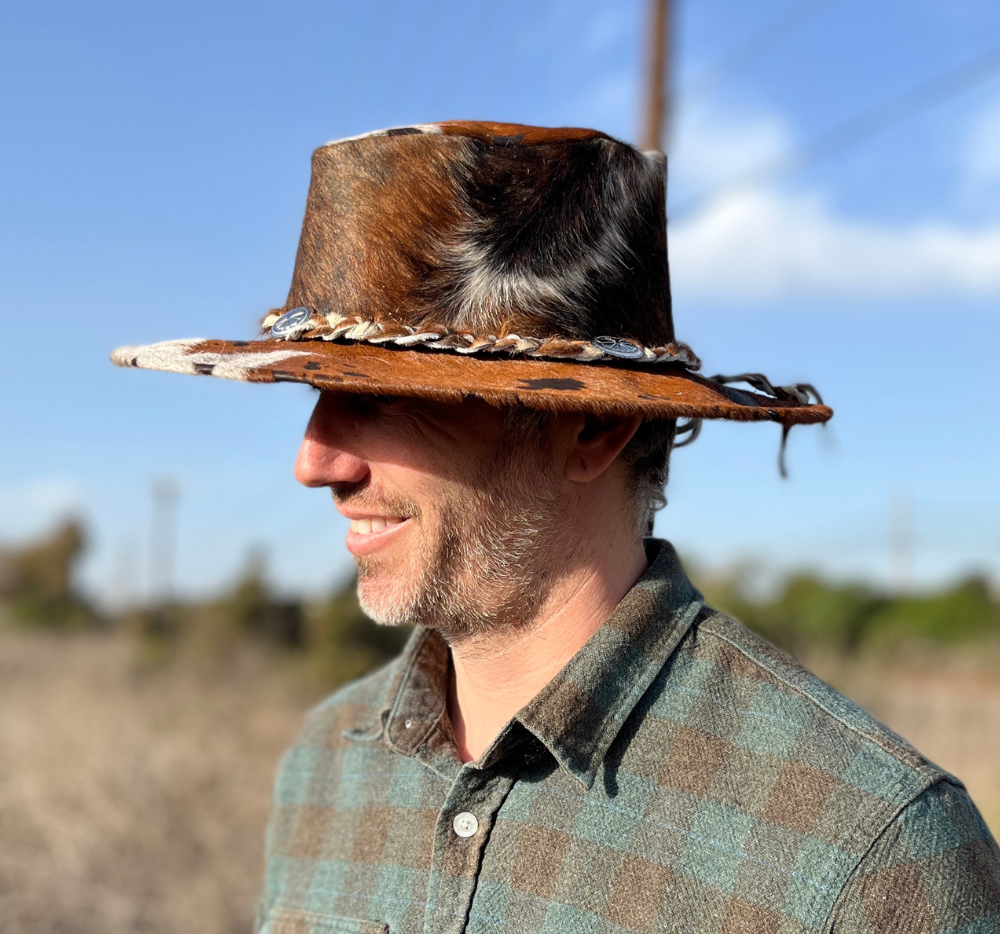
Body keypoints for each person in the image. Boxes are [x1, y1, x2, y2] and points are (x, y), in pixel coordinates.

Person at [113, 122, 1000, 934]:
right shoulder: (323, 770)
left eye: (381, 398)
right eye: (315, 396)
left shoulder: (869, 857)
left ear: (591, 425)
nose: (315, 462)